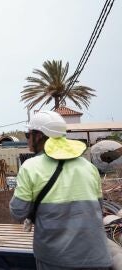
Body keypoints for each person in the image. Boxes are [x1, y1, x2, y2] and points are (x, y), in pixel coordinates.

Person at [9, 111, 112, 270]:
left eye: (28, 134)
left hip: (57, 260)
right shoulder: (89, 167)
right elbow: (97, 209)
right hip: (98, 257)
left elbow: (18, 212)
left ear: (38, 136)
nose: (27, 139)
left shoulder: (31, 167)